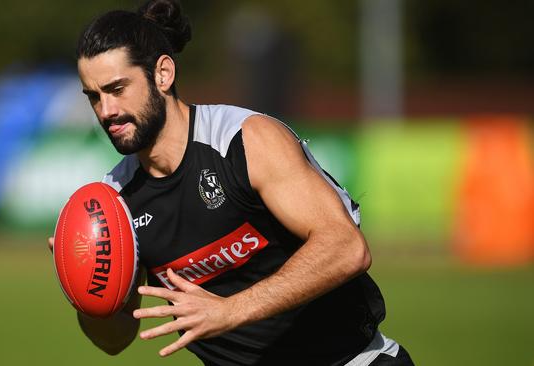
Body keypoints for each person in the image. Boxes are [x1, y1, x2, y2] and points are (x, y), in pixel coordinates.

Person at [48, 0, 414, 365]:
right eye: (94, 97)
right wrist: (85, 288)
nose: (106, 111)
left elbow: (347, 248)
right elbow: (114, 341)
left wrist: (232, 310)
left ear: (163, 74)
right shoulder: (117, 202)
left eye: (117, 89)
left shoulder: (244, 141)